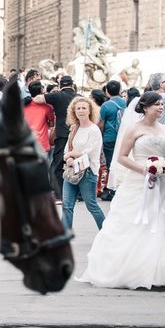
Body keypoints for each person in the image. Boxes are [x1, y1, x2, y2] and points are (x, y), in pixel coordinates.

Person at [79, 91, 165, 289]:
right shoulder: (133, 129)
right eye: (157, 104)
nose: (161, 107)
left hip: (164, 183)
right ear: (145, 107)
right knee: (136, 223)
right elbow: (122, 157)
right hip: (139, 181)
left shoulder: (164, 128)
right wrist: (145, 169)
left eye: (162, 104)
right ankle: (134, 269)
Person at [62, 96, 106, 230]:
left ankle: (105, 231)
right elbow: (67, 148)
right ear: (74, 111)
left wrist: (71, 154)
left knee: (91, 205)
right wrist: (68, 158)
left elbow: (91, 151)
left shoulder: (94, 129)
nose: (81, 111)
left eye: (84, 108)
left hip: (87, 172)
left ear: (90, 111)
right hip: (72, 170)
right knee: (67, 205)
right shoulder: (74, 128)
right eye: (78, 108)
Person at [35, 76, 78, 199]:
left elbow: (38, 99)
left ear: (60, 85)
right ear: (72, 84)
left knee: (57, 165)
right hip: (77, 134)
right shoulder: (79, 97)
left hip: (62, 134)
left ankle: (60, 194)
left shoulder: (57, 96)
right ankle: (77, 194)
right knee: (76, 163)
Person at [98, 80, 126, 201]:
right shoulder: (125, 103)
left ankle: (110, 189)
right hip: (122, 138)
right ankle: (120, 187)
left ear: (107, 91)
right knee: (121, 162)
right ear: (119, 90)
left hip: (109, 138)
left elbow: (101, 124)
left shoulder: (106, 105)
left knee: (110, 164)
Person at [23, 81, 55, 154]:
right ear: (41, 91)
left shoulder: (23, 105)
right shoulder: (47, 107)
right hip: (42, 144)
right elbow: (51, 124)